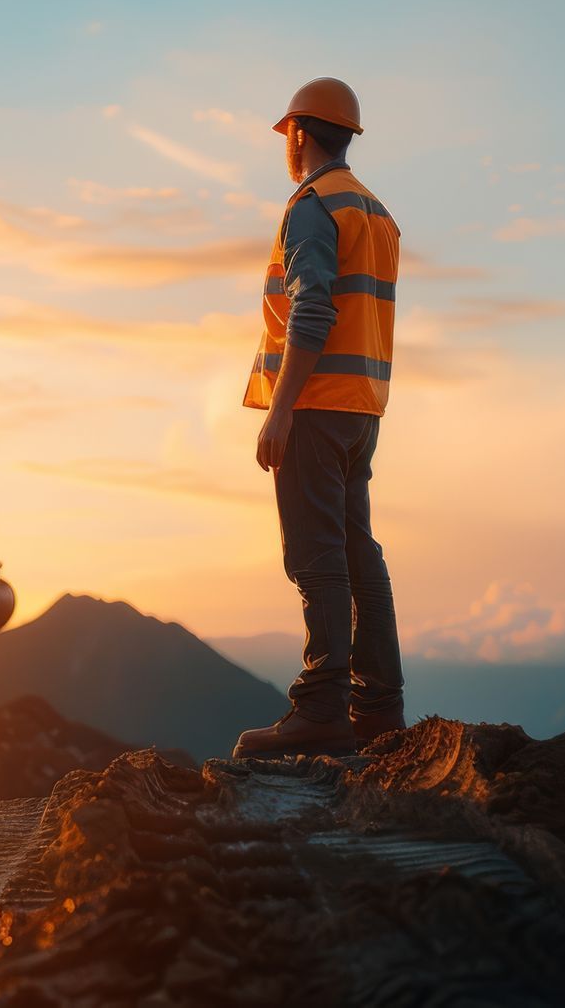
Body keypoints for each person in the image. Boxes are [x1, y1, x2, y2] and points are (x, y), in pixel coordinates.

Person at [231, 77, 405, 759]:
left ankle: (324, 709)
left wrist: (280, 412)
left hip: (315, 404)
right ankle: (380, 708)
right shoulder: (375, 212)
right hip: (362, 408)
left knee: (316, 556)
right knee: (358, 551)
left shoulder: (312, 206)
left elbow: (311, 309)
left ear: (299, 133)